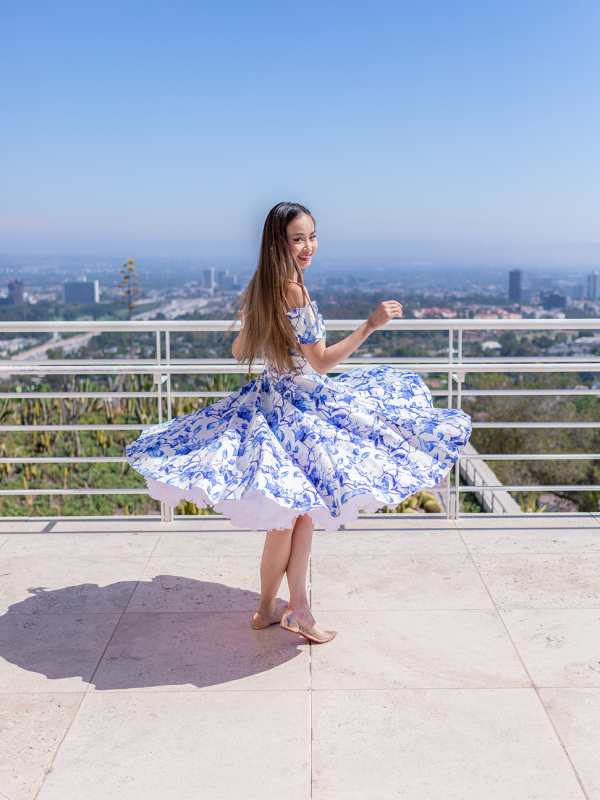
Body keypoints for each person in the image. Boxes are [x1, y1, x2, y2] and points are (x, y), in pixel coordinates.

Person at [127, 202, 471, 644]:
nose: (308, 247)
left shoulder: (263, 286)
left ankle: (271, 610)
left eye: (312, 236)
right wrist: (371, 323)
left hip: (268, 405)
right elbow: (322, 362)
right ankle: (295, 610)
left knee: (290, 516)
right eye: (298, 239)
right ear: (280, 242)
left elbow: (239, 351)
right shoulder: (292, 290)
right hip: (297, 413)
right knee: (299, 513)